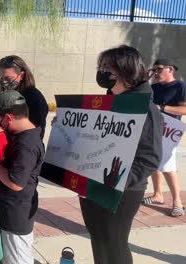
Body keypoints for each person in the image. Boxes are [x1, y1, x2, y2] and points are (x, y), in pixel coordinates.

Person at [80, 45, 163, 264]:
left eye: (107, 67)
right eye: (101, 66)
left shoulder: (146, 109)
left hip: (123, 190)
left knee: (114, 243)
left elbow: (150, 158)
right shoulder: (107, 103)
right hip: (94, 183)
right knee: (98, 239)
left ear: (126, 71)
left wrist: (116, 181)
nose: (102, 72)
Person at [0, 90, 44, 264]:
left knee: (18, 258)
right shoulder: (24, 133)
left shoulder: (26, 145)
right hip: (14, 209)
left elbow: (16, 183)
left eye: (0, 120)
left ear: (9, 117)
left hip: (16, 214)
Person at [142, 59, 186, 217]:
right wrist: (145, 80)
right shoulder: (153, 87)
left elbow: (184, 109)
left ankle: (177, 202)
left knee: (168, 166)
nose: (156, 73)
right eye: (153, 70)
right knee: (154, 163)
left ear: (171, 69)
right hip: (153, 129)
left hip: (170, 132)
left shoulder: (180, 86)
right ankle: (158, 195)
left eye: (159, 69)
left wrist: (162, 107)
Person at [0, 56, 49, 145]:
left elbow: (33, 132)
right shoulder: (4, 95)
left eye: (8, 78)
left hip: (24, 150)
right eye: (2, 78)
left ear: (21, 75)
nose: (4, 82)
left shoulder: (35, 98)